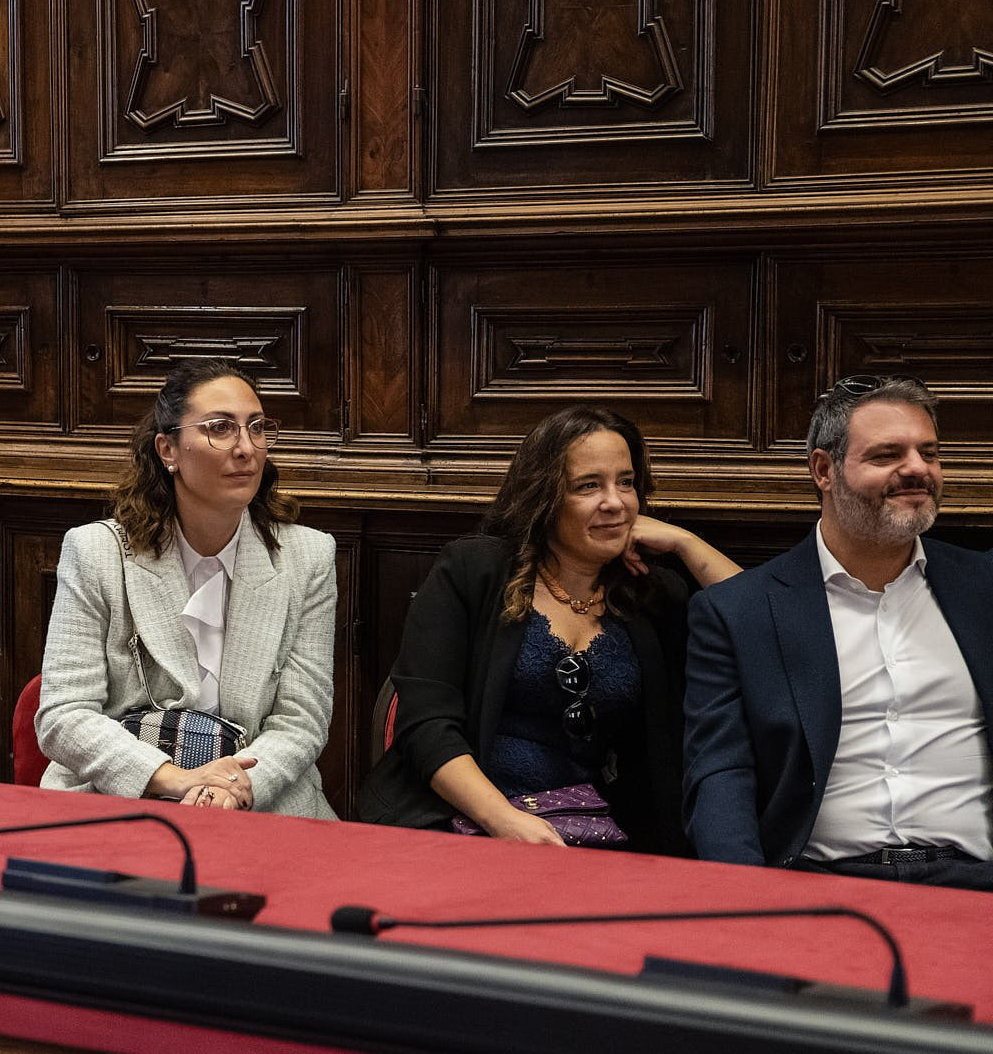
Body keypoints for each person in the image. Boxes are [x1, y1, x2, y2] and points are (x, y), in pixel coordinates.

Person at [358, 407, 739, 852]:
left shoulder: (653, 593)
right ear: (545, 496)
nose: (615, 502)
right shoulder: (474, 570)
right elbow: (426, 724)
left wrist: (686, 543)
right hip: (455, 821)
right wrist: (505, 821)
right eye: (588, 485)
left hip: (591, 831)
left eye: (626, 482)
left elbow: (758, 626)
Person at [684, 375, 993, 887]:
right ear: (824, 470)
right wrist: (743, 902)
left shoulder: (983, 587)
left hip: (978, 886)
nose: (917, 469)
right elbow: (720, 775)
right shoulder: (738, 612)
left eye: (930, 453)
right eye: (887, 454)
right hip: (822, 888)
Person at [36, 357, 338, 817]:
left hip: (260, 800)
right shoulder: (97, 552)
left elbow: (302, 721)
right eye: (220, 428)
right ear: (168, 450)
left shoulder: (307, 558)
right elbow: (64, 716)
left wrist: (235, 788)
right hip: (119, 794)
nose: (246, 448)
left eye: (256, 428)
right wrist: (175, 780)